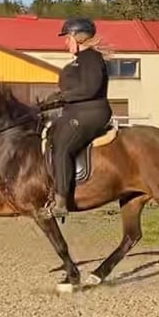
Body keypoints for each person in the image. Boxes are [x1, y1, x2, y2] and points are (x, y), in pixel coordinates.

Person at [39, 17, 112, 220]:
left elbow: (90, 89)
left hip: (90, 112)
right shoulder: (81, 60)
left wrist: (61, 97)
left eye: (67, 38)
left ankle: (61, 201)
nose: (65, 43)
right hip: (77, 112)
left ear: (77, 37)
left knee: (62, 146)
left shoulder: (91, 58)